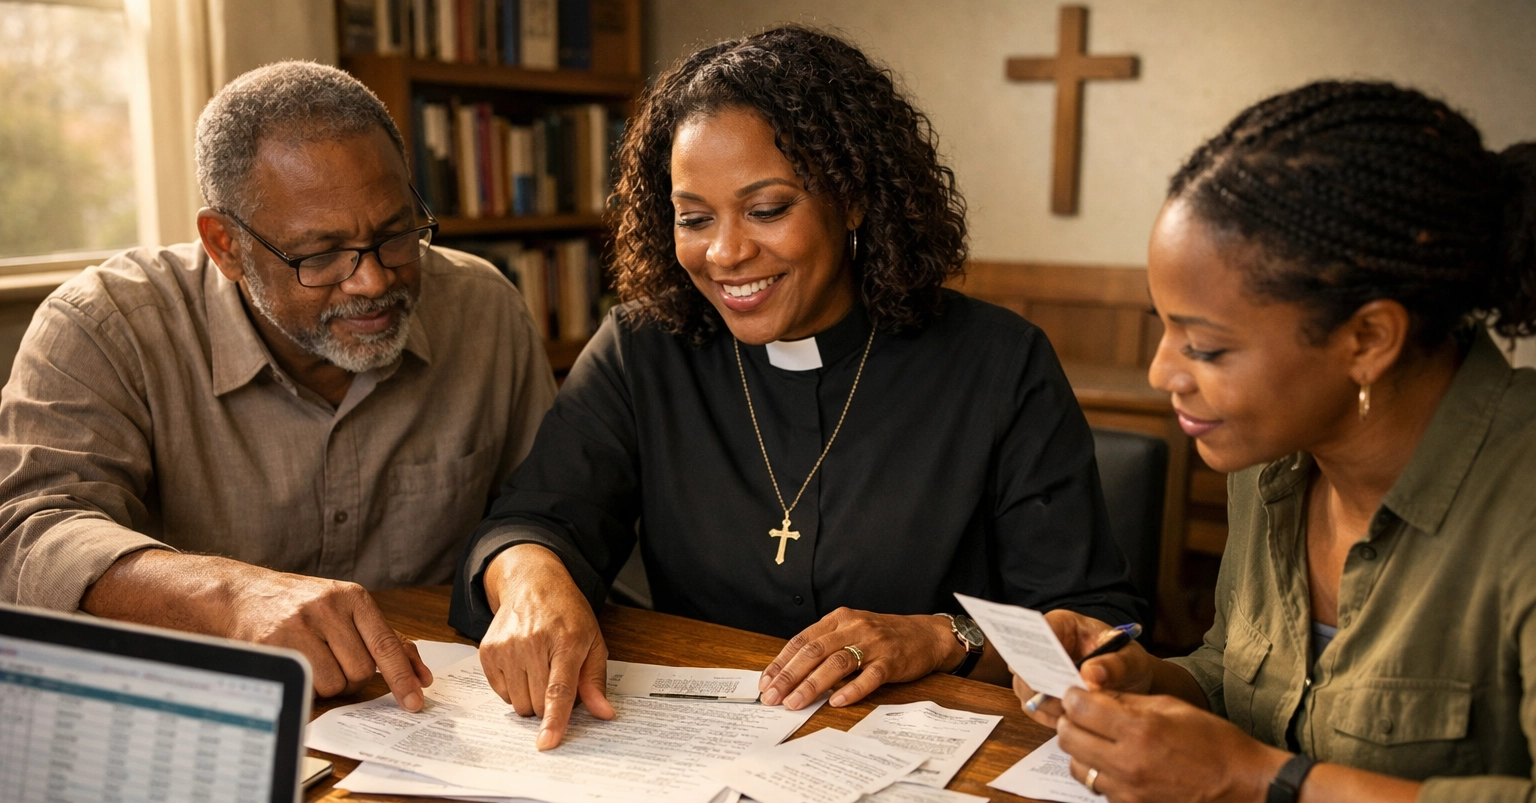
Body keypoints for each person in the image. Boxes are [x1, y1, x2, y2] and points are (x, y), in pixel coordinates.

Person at [450, 26, 1145, 751]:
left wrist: (943, 638)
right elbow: (535, 517)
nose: (726, 253)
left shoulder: (998, 362)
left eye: (767, 209)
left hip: (930, 763)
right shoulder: (641, 348)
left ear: (852, 200)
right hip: (694, 755)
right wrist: (531, 578)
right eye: (694, 217)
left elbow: (1092, 623)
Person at [1013, 81, 1536, 803]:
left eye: (1206, 347)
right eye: (1164, 330)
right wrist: (1147, 683)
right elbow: (1253, 681)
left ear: (1368, 338)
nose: (1159, 374)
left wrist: (1252, 791)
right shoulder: (1274, 461)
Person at [0, 62, 555, 710]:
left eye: (395, 235)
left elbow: (544, 509)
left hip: (436, 717)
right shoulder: (106, 326)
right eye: (319, 254)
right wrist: (232, 598)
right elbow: (24, 532)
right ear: (225, 244)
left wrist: (534, 571)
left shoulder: (484, 310)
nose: (373, 281)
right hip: (194, 718)